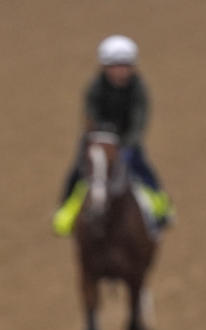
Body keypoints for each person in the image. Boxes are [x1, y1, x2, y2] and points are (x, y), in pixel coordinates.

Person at [52, 35, 173, 236]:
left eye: (125, 66)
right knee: (79, 171)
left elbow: (139, 119)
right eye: (114, 66)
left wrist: (128, 144)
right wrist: (98, 136)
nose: (120, 71)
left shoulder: (138, 88)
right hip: (98, 138)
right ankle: (65, 211)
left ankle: (161, 207)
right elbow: (90, 114)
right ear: (105, 67)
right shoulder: (95, 86)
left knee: (143, 169)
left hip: (127, 140)